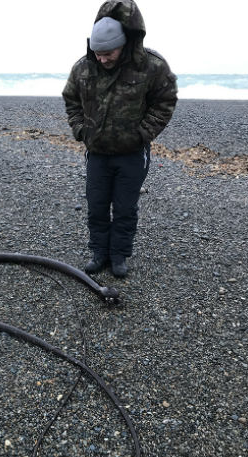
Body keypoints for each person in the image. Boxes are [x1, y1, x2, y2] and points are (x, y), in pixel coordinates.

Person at [62, 0, 177, 277]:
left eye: (108, 53)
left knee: (125, 208)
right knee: (97, 205)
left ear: (124, 43)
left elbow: (165, 101)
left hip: (132, 153)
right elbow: (71, 100)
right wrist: (81, 130)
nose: (102, 59)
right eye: (97, 53)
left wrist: (143, 134)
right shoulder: (82, 68)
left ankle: (119, 256)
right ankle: (99, 253)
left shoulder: (151, 66)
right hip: (98, 152)